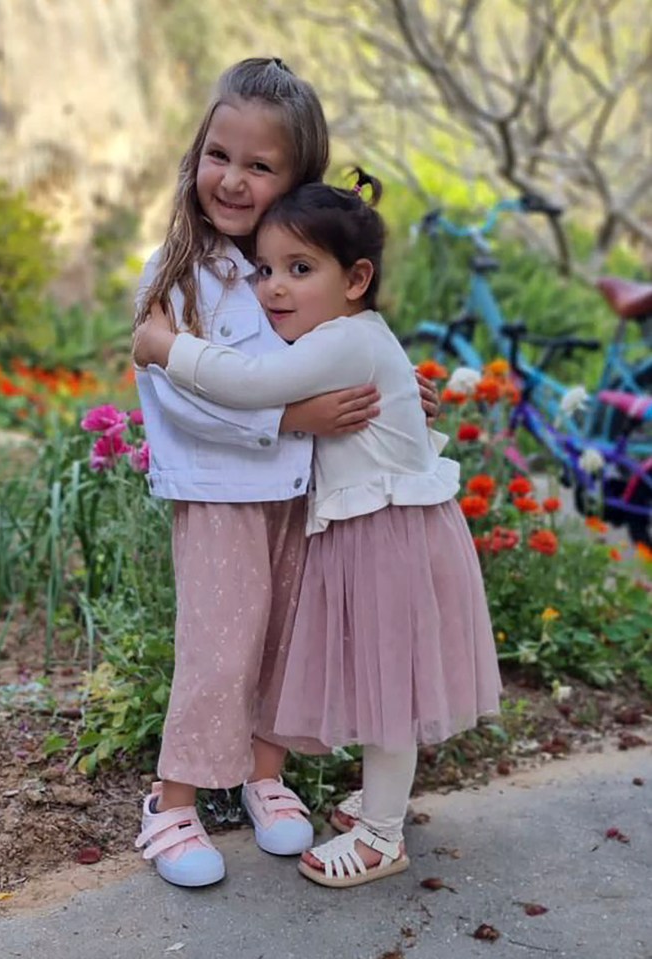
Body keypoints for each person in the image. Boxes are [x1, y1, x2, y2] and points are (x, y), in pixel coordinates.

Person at [133, 170, 502, 889]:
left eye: (298, 270)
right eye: (266, 269)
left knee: (391, 686)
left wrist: (164, 346)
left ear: (356, 277)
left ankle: (380, 834)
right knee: (384, 679)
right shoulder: (346, 333)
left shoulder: (339, 341)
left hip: (388, 537)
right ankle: (370, 800)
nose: (271, 287)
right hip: (378, 533)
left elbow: (250, 382)